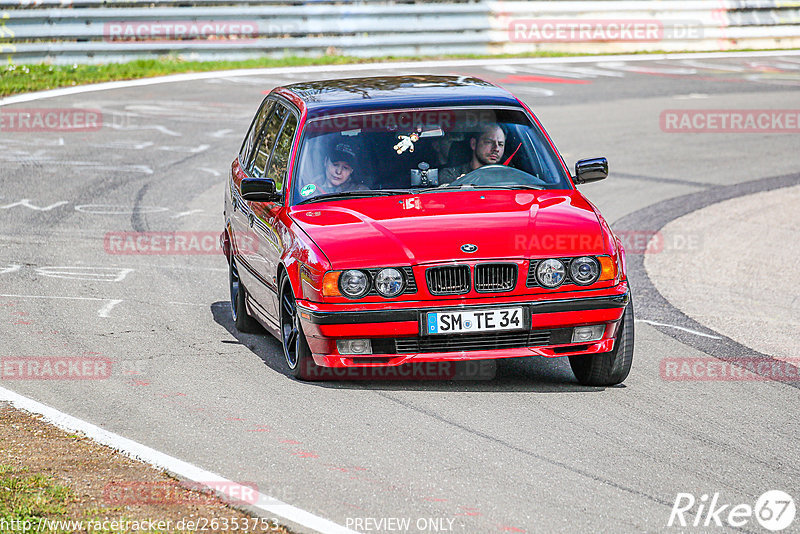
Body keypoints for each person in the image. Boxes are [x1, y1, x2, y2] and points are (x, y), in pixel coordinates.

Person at [439, 123, 506, 184]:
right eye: (489, 142)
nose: (496, 149)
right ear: (473, 144)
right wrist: (457, 186)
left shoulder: (508, 177)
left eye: (500, 144)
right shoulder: (451, 175)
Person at [299, 142, 368, 199]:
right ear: (325, 162)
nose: (338, 171)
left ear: (351, 170)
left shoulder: (361, 193)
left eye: (345, 168)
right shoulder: (307, 191)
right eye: (335, 165)